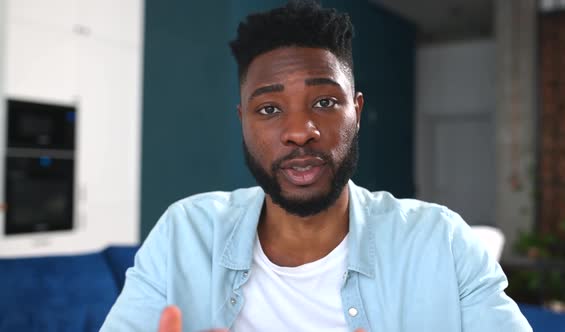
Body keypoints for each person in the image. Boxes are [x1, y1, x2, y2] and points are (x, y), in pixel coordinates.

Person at [100, 1, 532, 331]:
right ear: (242, 123)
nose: (299, 131)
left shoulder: (443, 243)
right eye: (269, 109)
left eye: (325, 102)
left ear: (357, 112)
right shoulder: (183, 234)